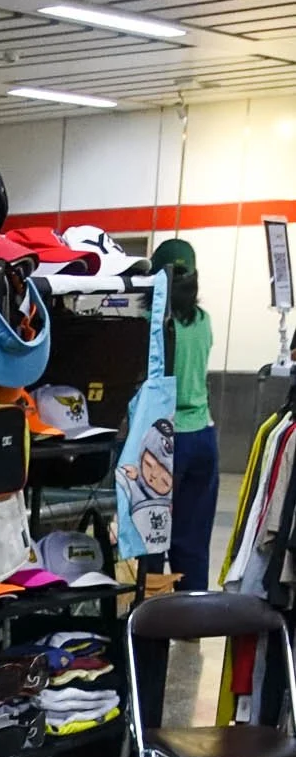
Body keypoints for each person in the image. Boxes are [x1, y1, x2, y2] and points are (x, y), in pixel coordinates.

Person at [151, 236, 217, 591]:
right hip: (203, 436)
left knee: (151, 535)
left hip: (164, 440)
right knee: (192, 542)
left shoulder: (153, 325)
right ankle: (192, 613)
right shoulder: (203, 321)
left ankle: (148, 609)